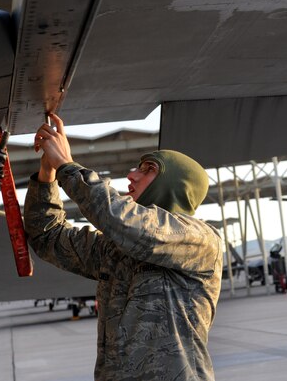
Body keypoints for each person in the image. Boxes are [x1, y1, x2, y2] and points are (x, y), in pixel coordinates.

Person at [24, 114, 223, 381]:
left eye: (148, 169)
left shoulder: (199, 240)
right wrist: (47, 173)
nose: (132, 175)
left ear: (176, 185)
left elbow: (125, 221)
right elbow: (47, 236)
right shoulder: (115, 250)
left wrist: (66, 166)